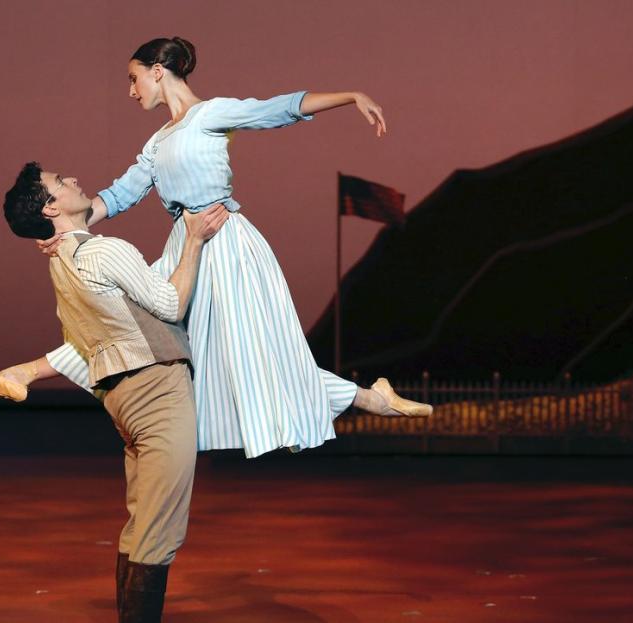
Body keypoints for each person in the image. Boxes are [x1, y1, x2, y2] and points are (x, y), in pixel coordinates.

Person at [38, 37, 430, 459]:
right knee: (130, 317)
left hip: (224, 243)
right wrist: (66, 231)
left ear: (157, 71)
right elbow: (115, 197)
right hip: (185, 246)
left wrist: (350, 96)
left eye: (134, 79)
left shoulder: (210, 114)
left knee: (252, 352)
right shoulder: (156, 143)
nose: (131, 91)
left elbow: (277, 109)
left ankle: (371, 399)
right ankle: (31, 372)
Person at [0, 162, 229, 622]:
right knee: (158, 531)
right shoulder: (103, 251)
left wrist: (26, 371)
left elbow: (88, 343)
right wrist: (194, 241)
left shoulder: (63, 266)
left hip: (124, 402)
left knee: (140, 525)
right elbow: (170, 303)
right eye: (60, 183)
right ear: (51, 206)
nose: (73, 180)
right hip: (158, 392)